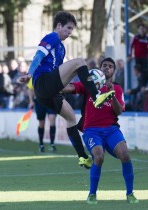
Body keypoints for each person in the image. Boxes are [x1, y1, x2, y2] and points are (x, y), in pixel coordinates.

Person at [18, 11, 115, 168]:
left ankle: (82, 157)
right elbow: (37, 57)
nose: (70, 32)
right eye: (68, 28)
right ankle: (96, 96)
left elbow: (59, 74)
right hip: (42, 82)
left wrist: (67, 88)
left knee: (71, 118)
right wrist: (29, 73)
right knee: (79, 62)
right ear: (58, 26)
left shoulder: (61, 48)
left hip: (47, 93)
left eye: (72, 29)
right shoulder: (52, 37)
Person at [61, 57, 138, 204]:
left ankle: (130, 193)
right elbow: (70, 87)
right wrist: (54, 85)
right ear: (99, 68)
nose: (107, 68)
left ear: (114, 71)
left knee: (125, 155)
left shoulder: (117, 88)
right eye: (104, 65)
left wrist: (112, 94)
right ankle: (92, 194)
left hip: (111, 130)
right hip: (91, 130)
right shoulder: (89, 85)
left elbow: (119, 111)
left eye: (110, 66)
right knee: (98, 156)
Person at [27, 79, 57, 152]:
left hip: (51, 100)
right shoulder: (35, 73)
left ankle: (52, 144)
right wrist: (31, 101)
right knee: (41, 123)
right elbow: (30, 88)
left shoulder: (51, 71)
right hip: (39, 101)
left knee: (52, 118)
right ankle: (41, 144)